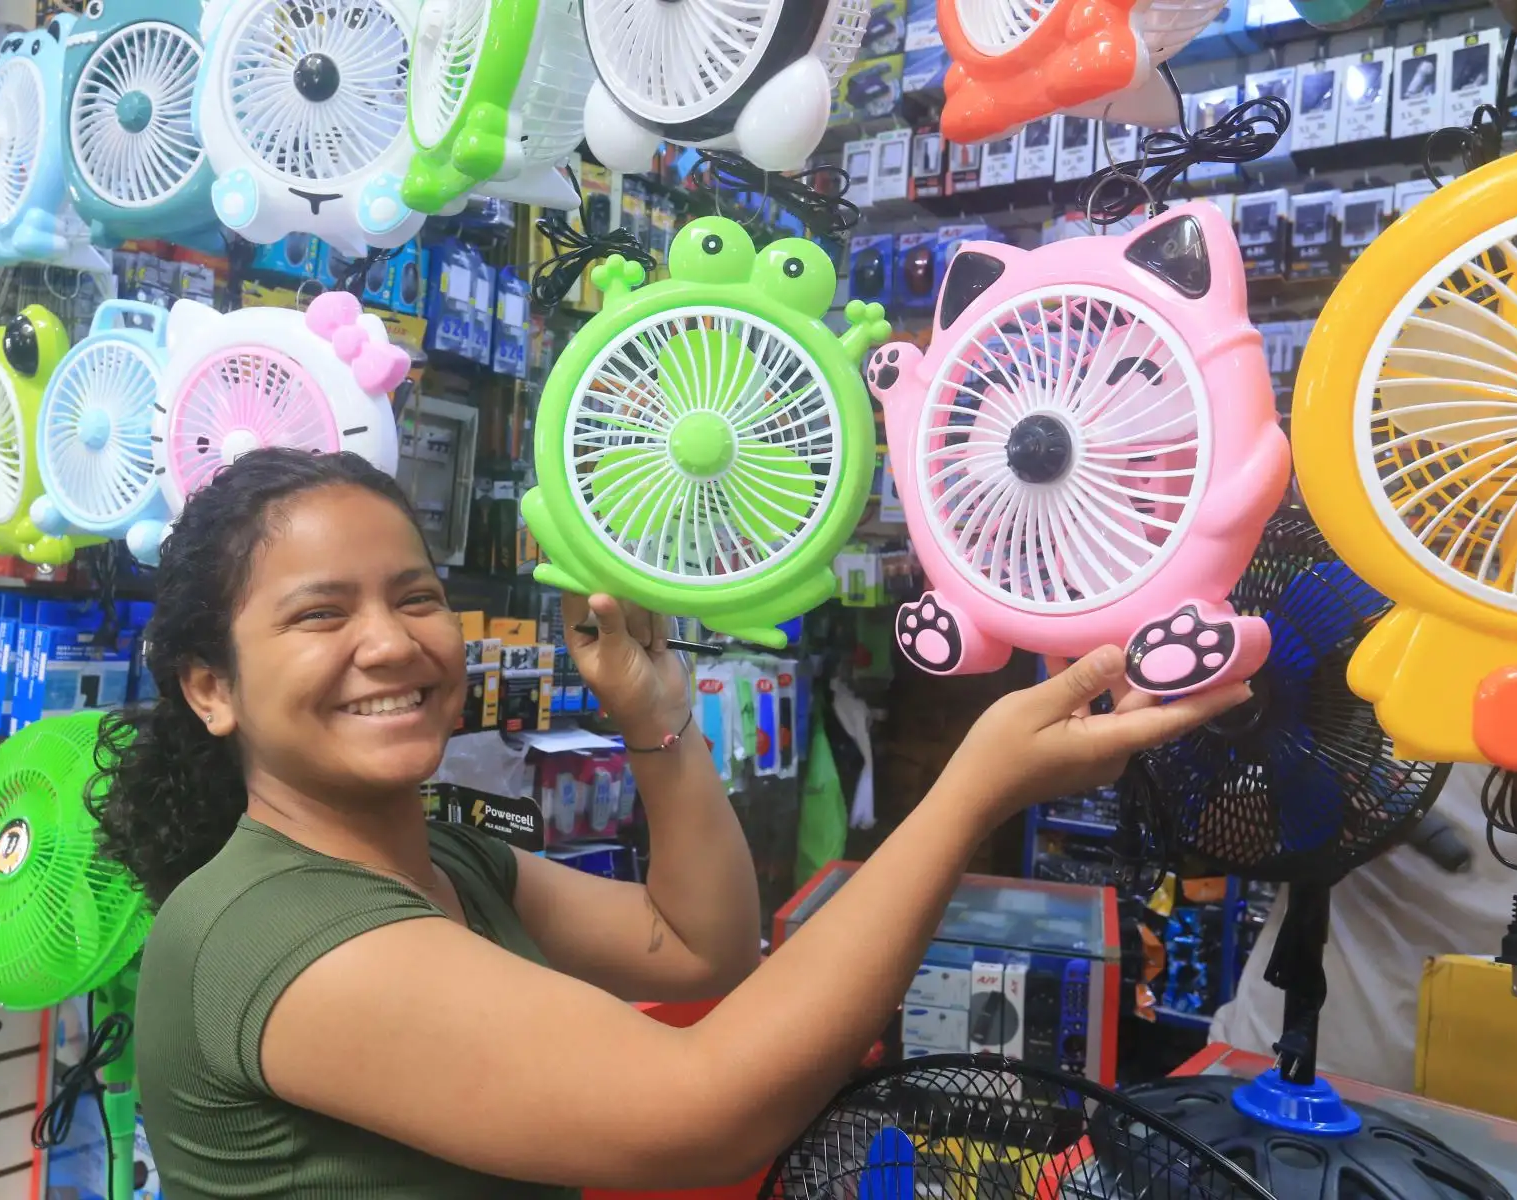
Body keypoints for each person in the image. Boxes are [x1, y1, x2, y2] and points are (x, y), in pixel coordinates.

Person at [91, 447, 1250, 1199]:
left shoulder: (439, 857)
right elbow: (703, 1114)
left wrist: (656, 720)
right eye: (319, 614)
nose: (391, 643)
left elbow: (696, 946)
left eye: (416, 596)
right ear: (212, 687)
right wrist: (970, 793)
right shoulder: (276, 935)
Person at [1210, 762, 1517, 1092]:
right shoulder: (1389, 718)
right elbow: (1213, 836)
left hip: (1466, 1125)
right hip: (1266, 1074)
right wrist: (1294, 803)